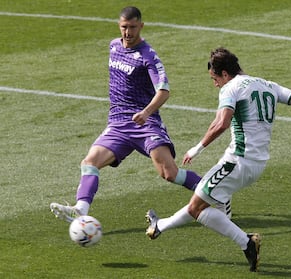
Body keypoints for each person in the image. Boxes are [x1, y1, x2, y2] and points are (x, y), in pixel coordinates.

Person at [145, 47, 291, 272]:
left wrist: (197, 149)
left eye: (215, 78)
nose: (215, 83)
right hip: (257, 163)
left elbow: (223, 123)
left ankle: (247, 243)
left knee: (197, 208)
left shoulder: (231, 88)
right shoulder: (267, 85)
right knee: (202, 202)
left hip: (237, 162)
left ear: (225, 74)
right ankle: (161, 226)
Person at [49, 6, 202, 223]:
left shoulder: (148, 56)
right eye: (124, 27)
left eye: (132, 27)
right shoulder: (113, 46)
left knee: (170, 174)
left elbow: (164, 90)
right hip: (118, 124)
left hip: (145, 124)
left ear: (141, 26)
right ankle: (80, 209)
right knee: (89, 162)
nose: (127, 32)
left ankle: (213, 191)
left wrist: (146, 112)